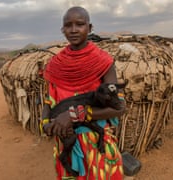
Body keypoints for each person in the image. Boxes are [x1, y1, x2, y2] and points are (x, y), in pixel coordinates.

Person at [40, 6, 125, 179]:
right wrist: (46, 124)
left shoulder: (103, 62)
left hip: (96, 142)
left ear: (90, 27)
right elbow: (48, 103)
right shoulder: (55, 65)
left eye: (79, 24)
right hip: (66, 138)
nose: (73, 30)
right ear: (62, 29)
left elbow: (119, 108)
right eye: (68, 25)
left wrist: (73, 116)